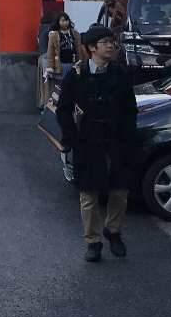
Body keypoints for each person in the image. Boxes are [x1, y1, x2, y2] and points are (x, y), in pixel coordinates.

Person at [56, 30, 138, 262]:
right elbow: (62, 110)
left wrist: (127, 135)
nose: (111, 46)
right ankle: (92, 241)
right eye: (105, 43)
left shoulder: (119, 74)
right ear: (91, 48)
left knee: (119, 191)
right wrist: (72, 137)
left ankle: (113, 231)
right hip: (87, 141)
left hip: (116, 141)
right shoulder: (76, 75)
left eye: (112, 42)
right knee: (89, 195)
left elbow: (130, 110)